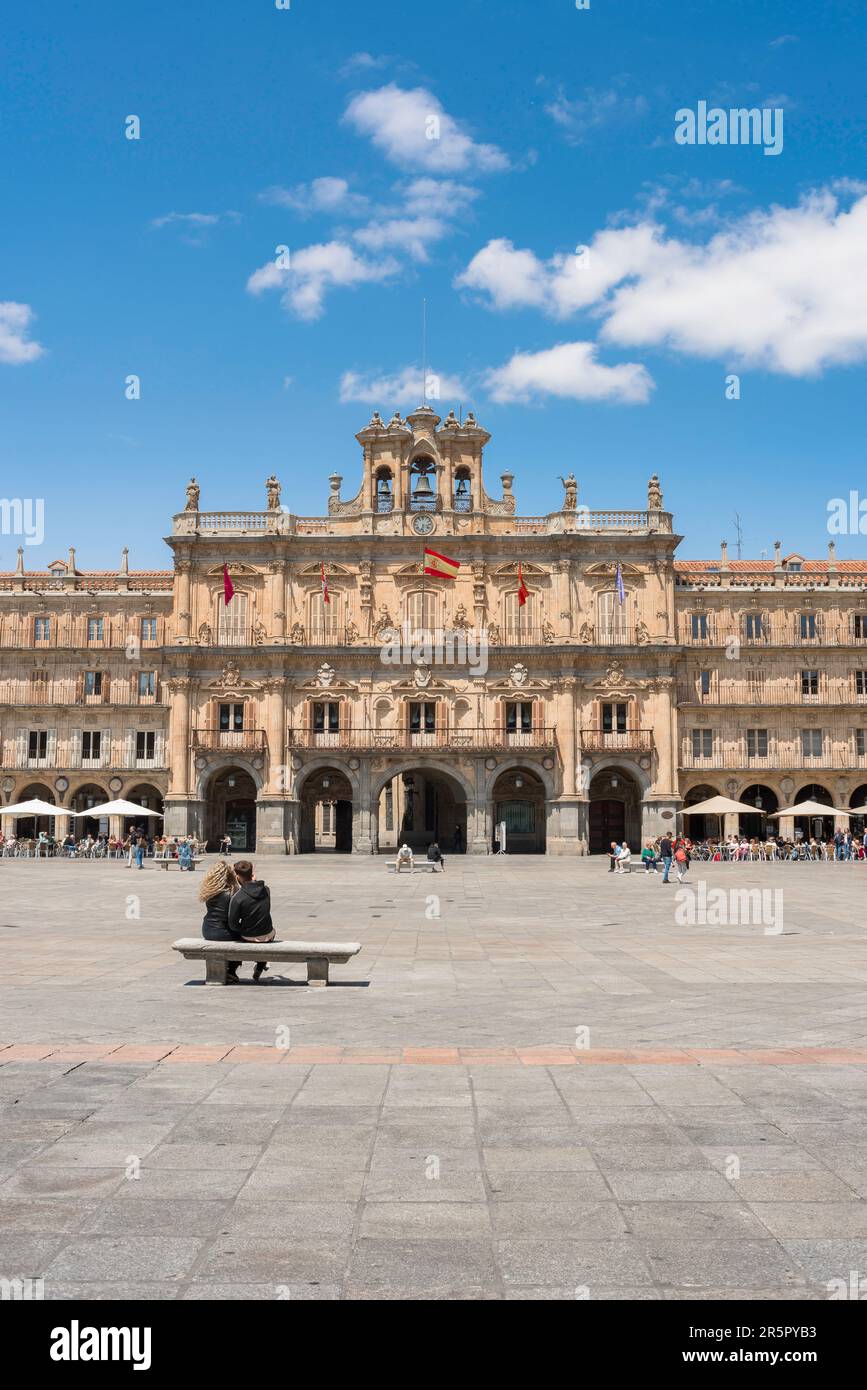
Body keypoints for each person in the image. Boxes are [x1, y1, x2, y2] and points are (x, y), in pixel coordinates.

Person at [228, 860, 275, 983]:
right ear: (252, 873)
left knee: (235, 936)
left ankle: (231, 970)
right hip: (268, 934)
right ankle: (260, 965)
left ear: (237, 876)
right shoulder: (266, 890)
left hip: (248, 935)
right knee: (270, 931)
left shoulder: (238, 897)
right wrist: (253, 882)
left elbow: (232, 923)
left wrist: (242, 929)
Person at [198, 859, 243, 984]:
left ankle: (226, 971)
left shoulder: (211, 892)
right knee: (244, 937)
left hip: (207, 929)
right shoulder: (232, 893)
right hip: (224, 932)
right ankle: (231, 971)